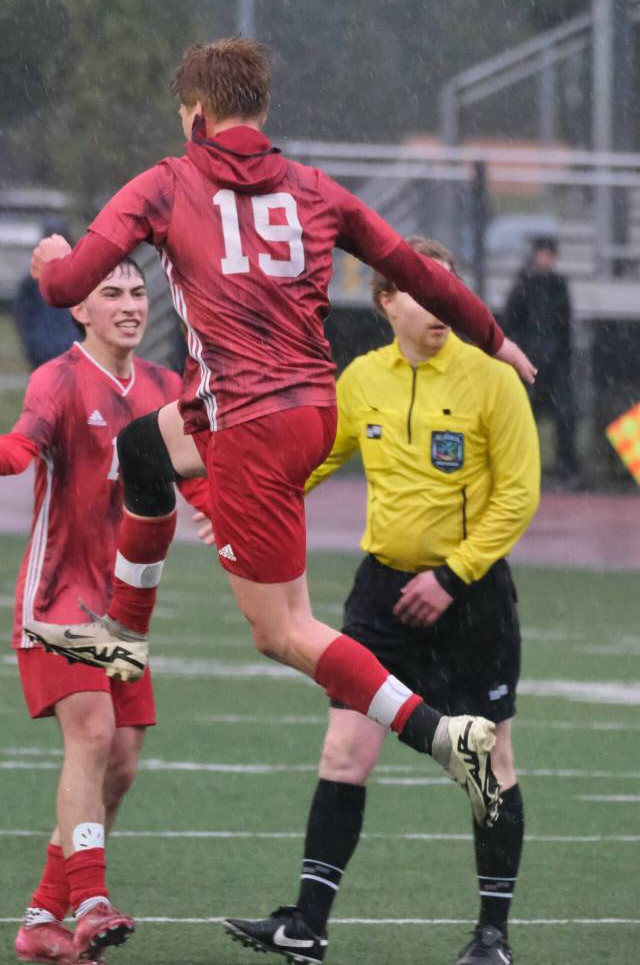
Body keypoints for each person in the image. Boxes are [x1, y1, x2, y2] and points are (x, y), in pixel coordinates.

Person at [28, 39, 539, 839]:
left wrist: (51, 256)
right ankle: (123, 635)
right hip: (309, 406)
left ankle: (446, 736)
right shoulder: (312, 188)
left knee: (285, 631)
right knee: (144, 450)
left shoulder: (168, 181)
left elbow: (65, 286)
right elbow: (417, 268)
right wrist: (493, 335)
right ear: (259, 110)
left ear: (195, 113)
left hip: (249, 419)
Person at [224, 237, 539, 965]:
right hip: (382, 592)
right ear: (387, 301)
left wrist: (453, 575)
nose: (443, 306)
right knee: (343, 749)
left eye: (451, 291)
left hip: (472, 597)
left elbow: (519, 494)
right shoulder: (362, 378)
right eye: (426, 291)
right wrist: (241, 500)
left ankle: (492, 936)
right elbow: (312, 460)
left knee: (491, 760)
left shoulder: (493, 378)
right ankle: (307, 924)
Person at [0, 258, 210, 964]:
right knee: (94, 733)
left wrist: (214, 512)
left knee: (123, 763)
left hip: (123, 599)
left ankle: (44, 915)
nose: (131, 304)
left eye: (138, 292)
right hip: (60, 593)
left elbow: (190, 464)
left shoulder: (165, 386)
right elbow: (24, 439)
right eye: (113, 294)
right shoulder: (59, 378)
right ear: (81, 310)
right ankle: (92, 904)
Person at [504, 235, 580, 483]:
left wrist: (560, 356)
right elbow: (512, 323)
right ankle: (521, 466)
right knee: (523, 415)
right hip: (529, 362)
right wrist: (526, 352)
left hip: (555, 363)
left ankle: (565, 468)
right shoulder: (522, 285)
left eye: (550, 254)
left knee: (566, 414)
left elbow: (565, 326)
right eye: (543, 253)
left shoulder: (558, 285)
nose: (546, 259)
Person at [13, 219, 81, 369]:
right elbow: (23, 315)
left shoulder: (79, 277)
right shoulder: (32, 281)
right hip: (45, 352)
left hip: (67, 352)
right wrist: (32, 344)